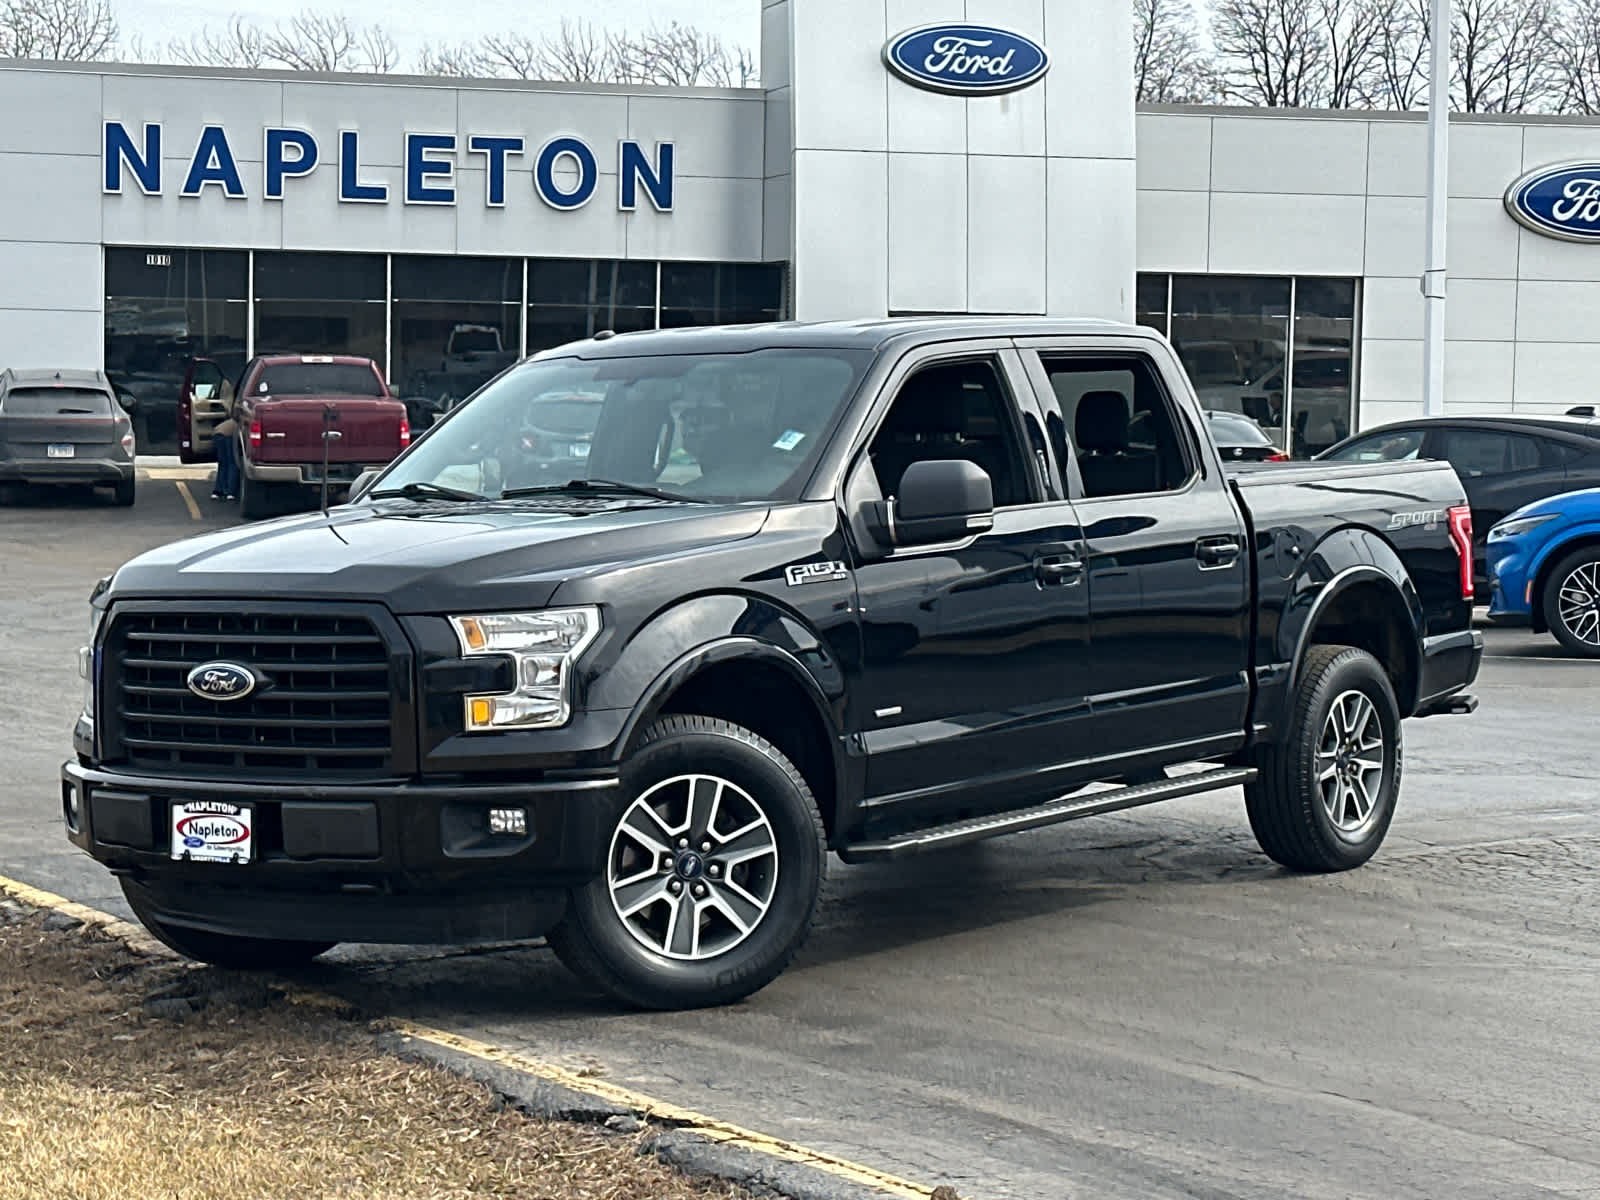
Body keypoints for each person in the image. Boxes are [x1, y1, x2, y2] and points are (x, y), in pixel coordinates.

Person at [212, 410, 239, 501]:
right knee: (232, 463)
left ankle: (217, 491)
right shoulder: (239, 423)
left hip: (217, 434)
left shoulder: (228, 422)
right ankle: (230, 492)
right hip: (228, 436)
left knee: (222, 464)